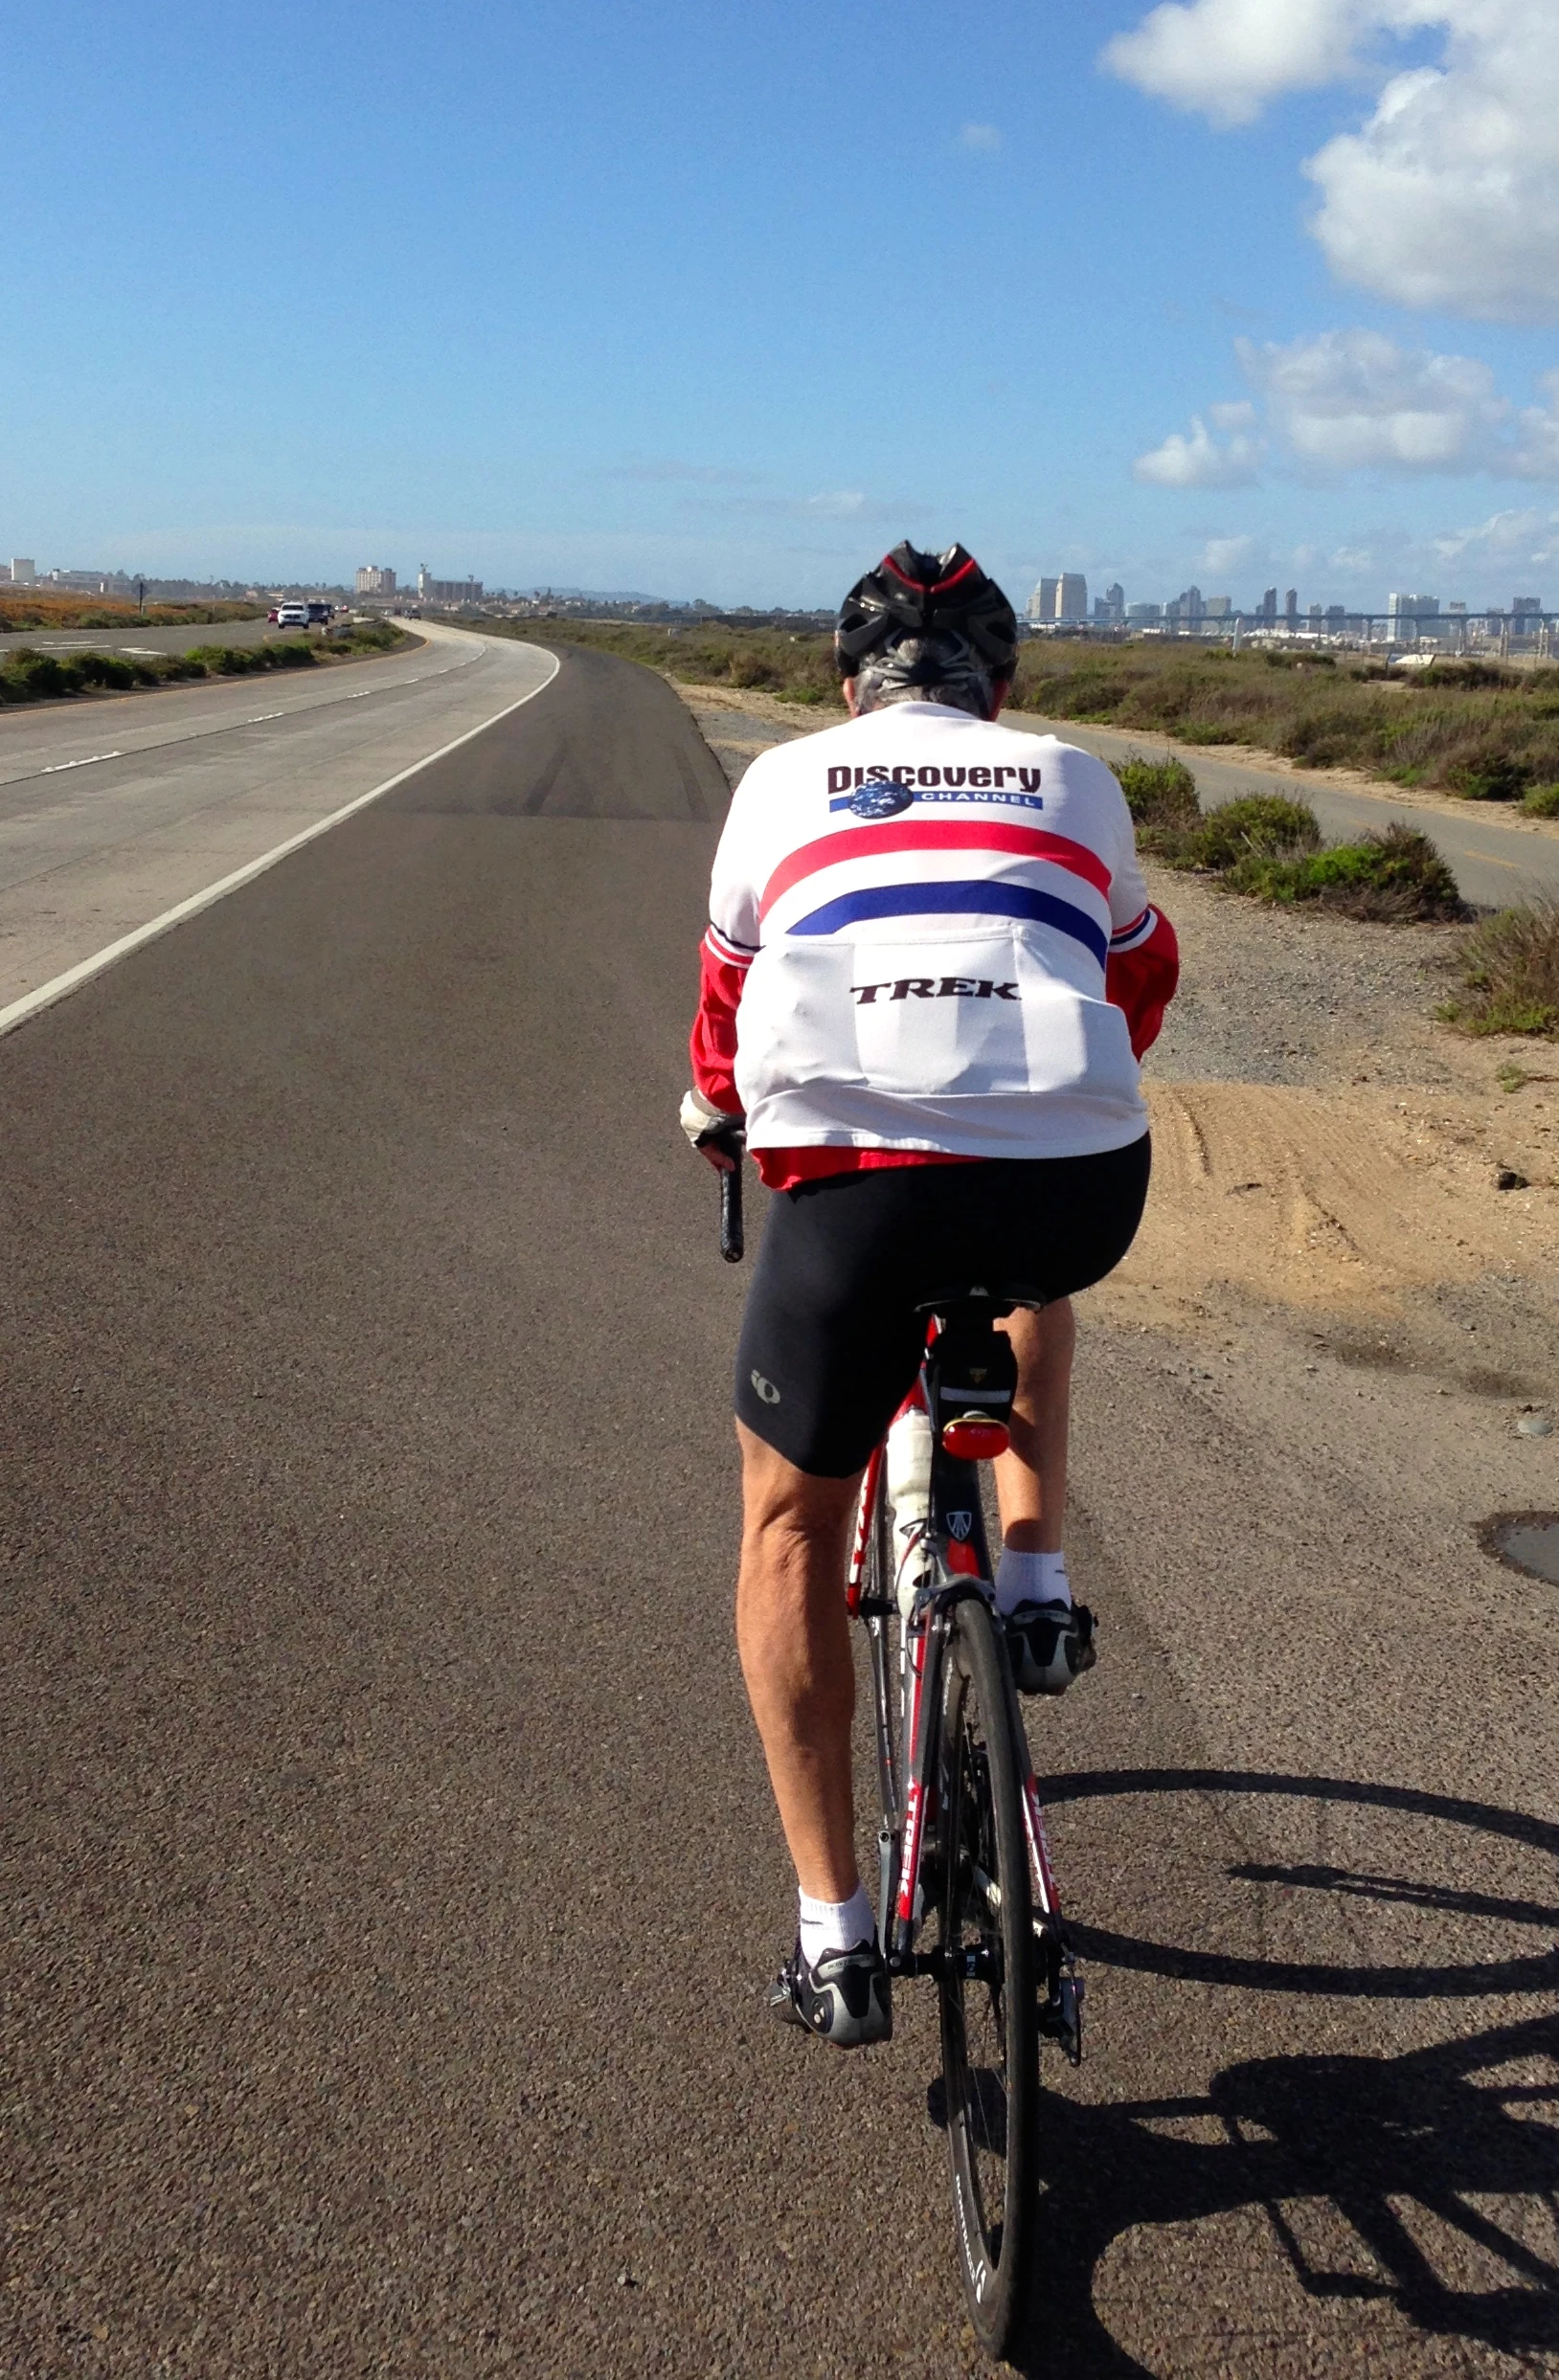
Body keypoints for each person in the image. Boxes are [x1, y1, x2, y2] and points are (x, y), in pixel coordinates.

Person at [681, 544, 1178, 2046]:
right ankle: (1032, 1585)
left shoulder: (781, 783)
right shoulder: (1077, 777)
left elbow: (727, 1013)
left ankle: (835, 1936)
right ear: (1004, 690)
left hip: (858, 1191)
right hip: (1075, 1179)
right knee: (1031, 1276)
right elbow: (1139, 980)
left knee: (786, 1523)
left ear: (850, 690)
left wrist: (718, 1112)